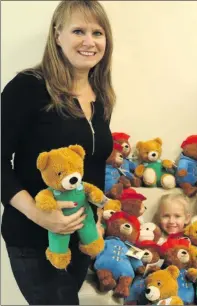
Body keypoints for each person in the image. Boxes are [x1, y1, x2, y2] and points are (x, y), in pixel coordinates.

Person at [1, 1, 115, 304]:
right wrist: (40, 215)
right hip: (32, 237)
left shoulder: (101, 96)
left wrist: (98, 215)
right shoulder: (27, 87)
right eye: (78, 30)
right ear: (57, 35)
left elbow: (93, 164)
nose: (89, 41)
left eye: (97, 32)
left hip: (80, 238)